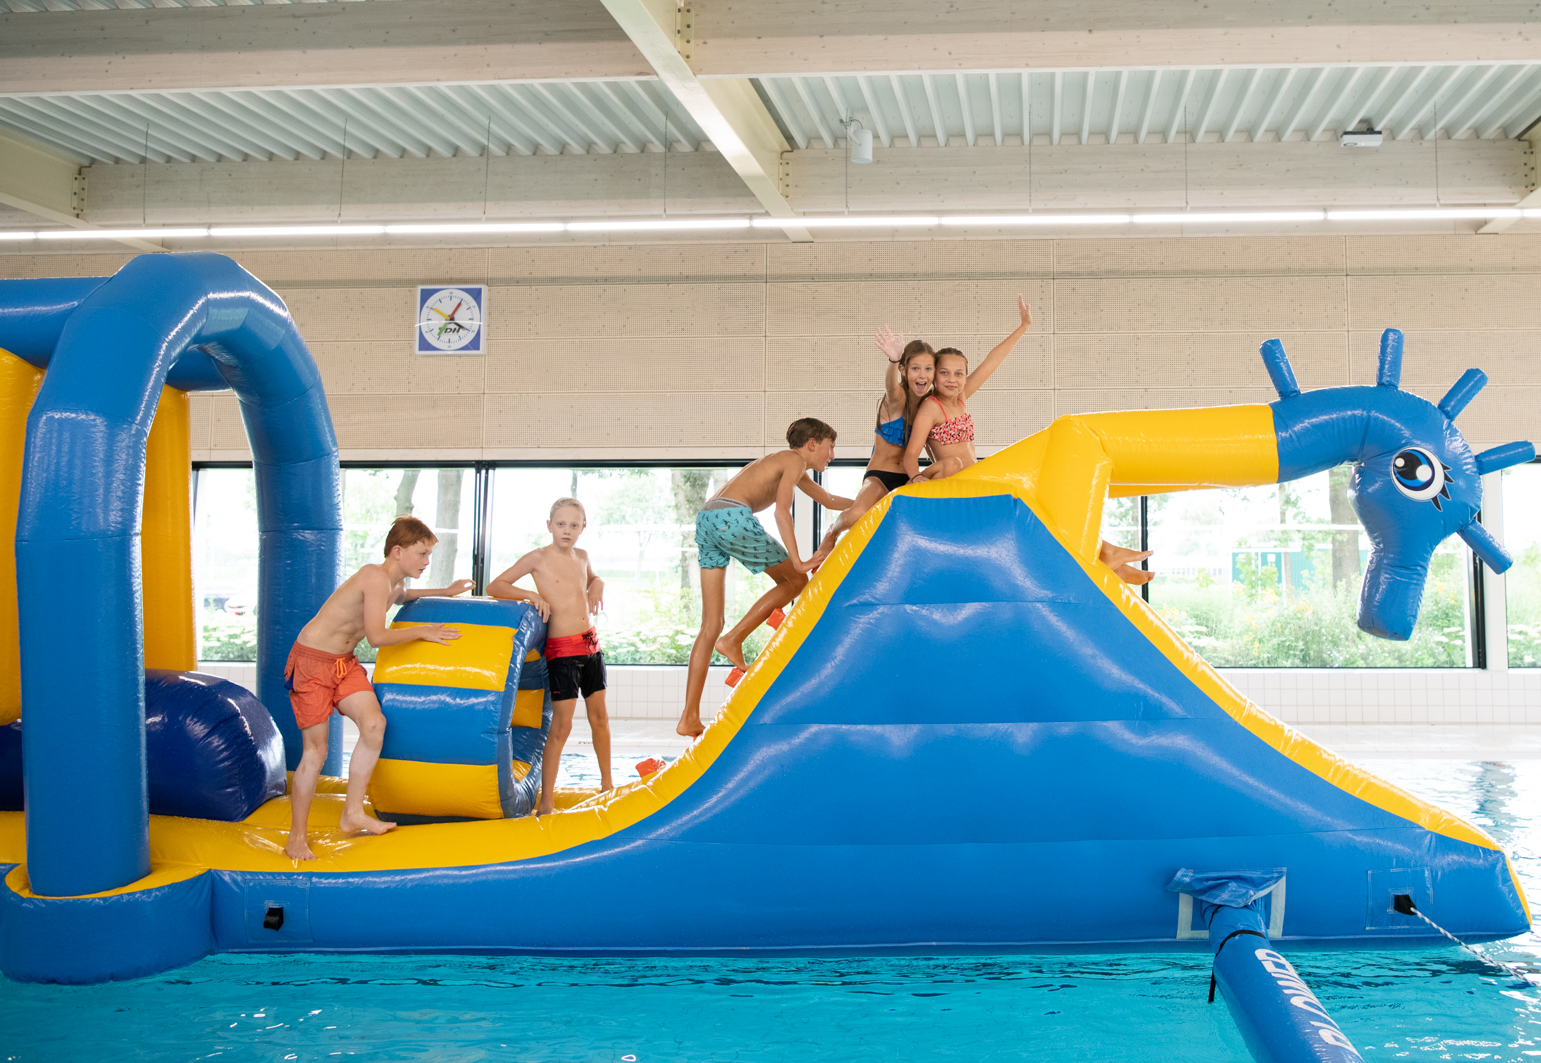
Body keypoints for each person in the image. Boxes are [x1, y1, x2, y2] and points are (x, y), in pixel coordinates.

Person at [284, 515, 471, 861]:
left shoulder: (392, 584)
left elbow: (404, 595)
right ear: (397, 551)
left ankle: (352, 813)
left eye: (429, 554)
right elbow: (377, 638)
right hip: (312, 663)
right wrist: (423, 631)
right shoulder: (373, 575)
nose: (426, 561)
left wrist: (444, 592)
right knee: (317, 752)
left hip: (343, 663)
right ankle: (296, 838)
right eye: (422, 553)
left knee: (374, 725)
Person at [677, 418, 853, 738]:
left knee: (710, 624)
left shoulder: (784, 464)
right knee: (796, 581)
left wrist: (876, 504)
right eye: (830, 447)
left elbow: (828, 501)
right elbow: (781, 511)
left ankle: (688, 717)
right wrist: (798, 561)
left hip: (708, 519)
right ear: (812, 444)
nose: (833, 455)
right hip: (732, 515)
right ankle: (733, 639)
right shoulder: (793, 459)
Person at [486, 498, 612, 816]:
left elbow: (593, 577)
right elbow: (495, 585)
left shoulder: (582, 557)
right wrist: (530, 594)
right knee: (561, 727)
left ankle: (608, 786)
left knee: (601, 719)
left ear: (583, 528)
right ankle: (546, 802)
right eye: (560, 524)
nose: (566, 530)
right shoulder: (537, 558)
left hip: (591, 648)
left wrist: (598, 584)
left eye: (573, 525)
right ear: (549, 526)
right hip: (563, 653)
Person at [810, 330, 935, 565]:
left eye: (928, 368)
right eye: (916, 368)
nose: (922, 374)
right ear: (904, 371)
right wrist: (893, 360)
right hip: (880, 476)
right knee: (858, 514)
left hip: (911, 477)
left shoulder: (932, 406)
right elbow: (890, 387)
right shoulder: (897, 399)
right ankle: (832, 531)